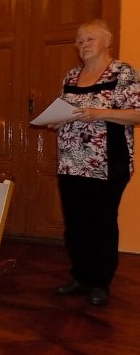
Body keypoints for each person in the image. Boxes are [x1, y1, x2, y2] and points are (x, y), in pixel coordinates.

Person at [50, 19, 140, 307]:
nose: (83, 45)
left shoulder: (123, 72)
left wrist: (97, 113)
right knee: (75, 223)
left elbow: (137, 113)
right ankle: (80, 276)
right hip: (70, 163)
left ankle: (100, 282)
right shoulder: (71, 75)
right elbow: (66, 110)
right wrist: (57, 120)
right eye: (79, 40)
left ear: (107, 41)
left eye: (89, 39)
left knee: (101, 223)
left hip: (107, 162)